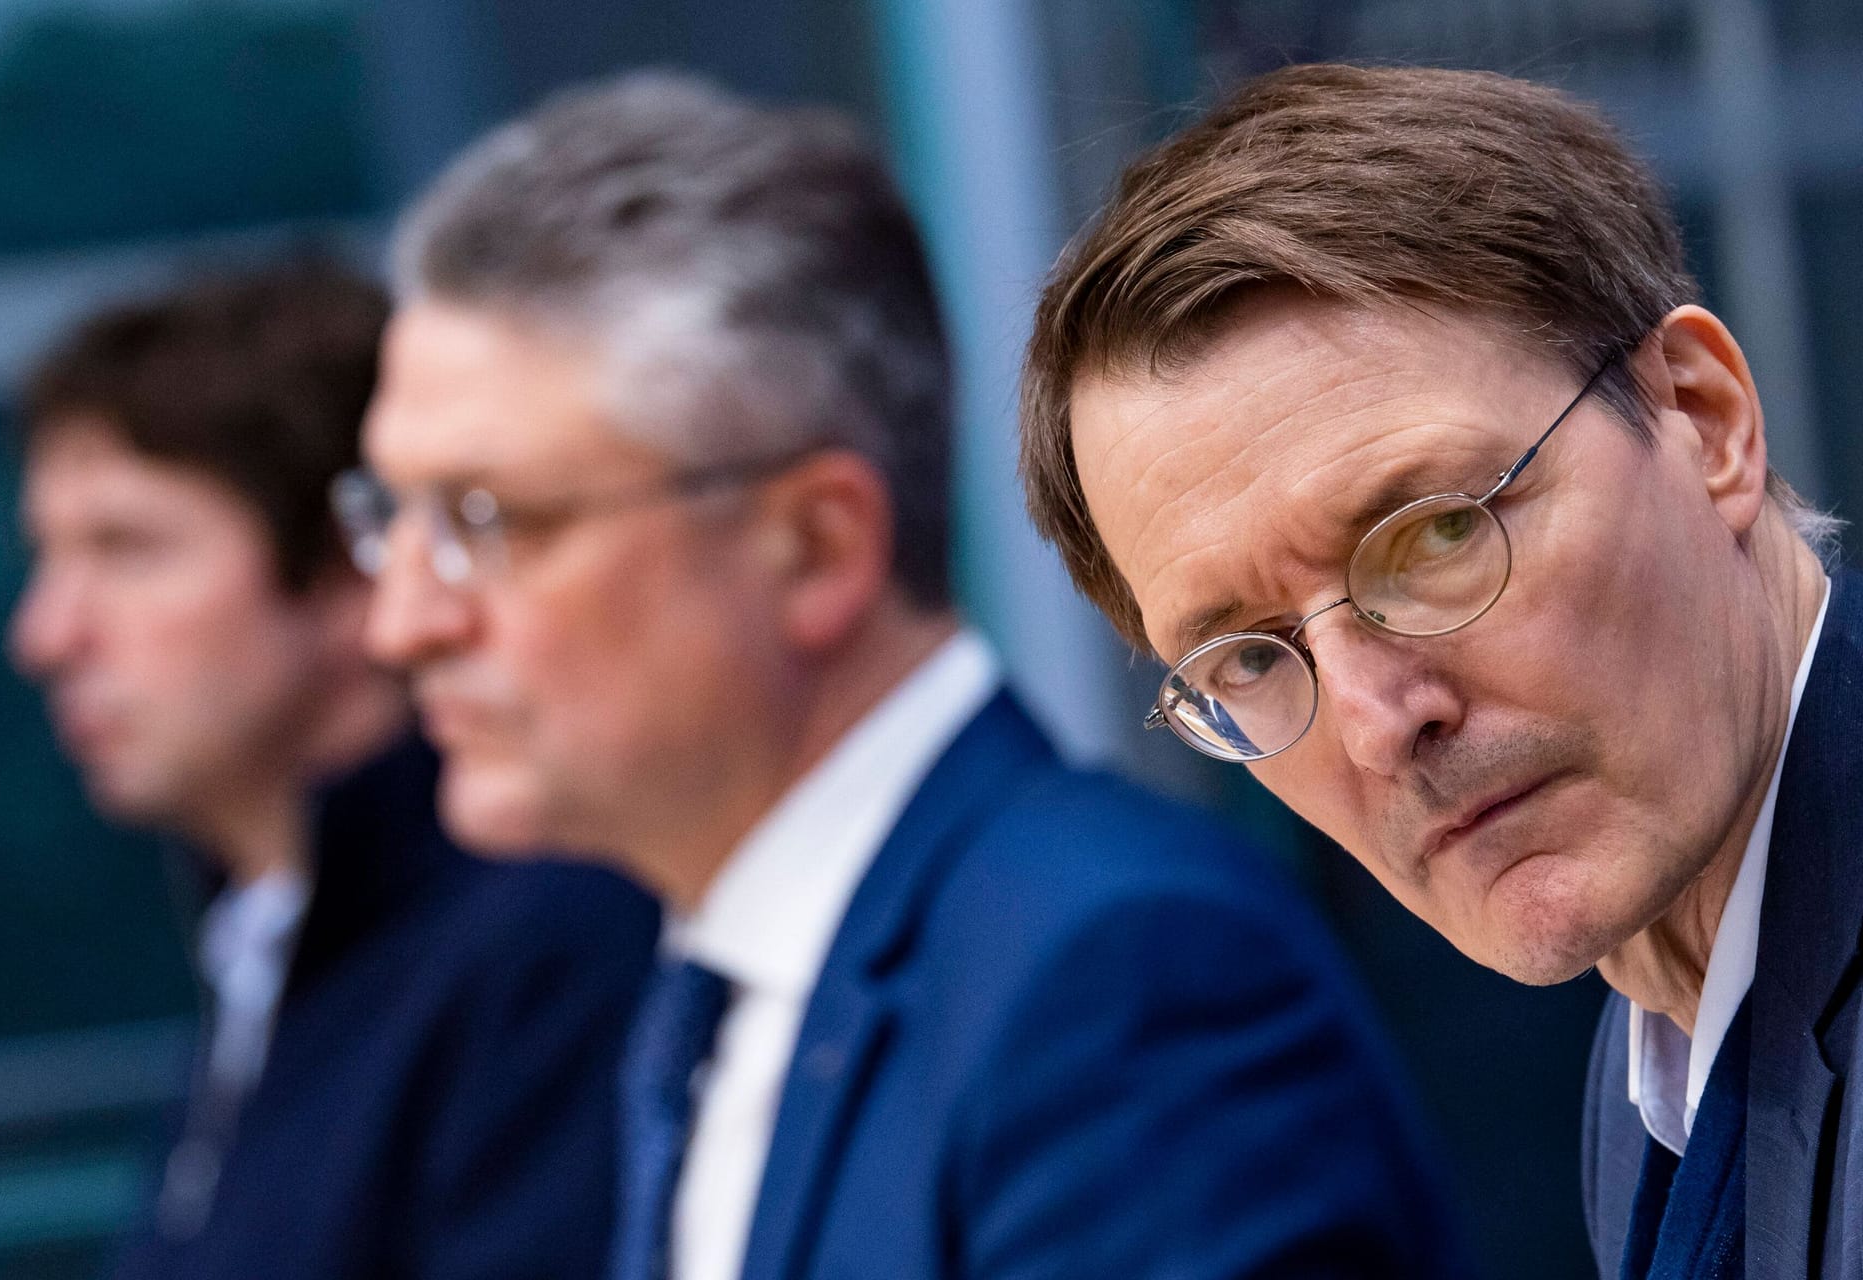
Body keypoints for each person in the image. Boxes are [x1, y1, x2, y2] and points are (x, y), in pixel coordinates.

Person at [354, 71, 1470, 1280]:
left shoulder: (1114, 972)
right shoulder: (721, 992)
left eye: (488, 518)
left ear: (817, 545)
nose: (403, 619)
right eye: (389, 515)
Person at [1020, 61, 1858, 1279]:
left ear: (1704, 416)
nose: (1372, 723)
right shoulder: (1657, 1045)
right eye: (1249, 655)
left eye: (1436, 535)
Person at [9, 261, 658, 1280]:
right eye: (47, 558)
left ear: (350, 571)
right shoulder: (267, 951)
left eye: (128, 550)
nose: (47, 634)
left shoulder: (545, 948)